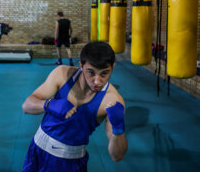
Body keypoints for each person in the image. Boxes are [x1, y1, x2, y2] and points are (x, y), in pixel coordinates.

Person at [22, 41, 127, 171]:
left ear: (113, 67)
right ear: (81, 65)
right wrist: (48, 104)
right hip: (37, 150)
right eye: (91, 72)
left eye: (104, 73)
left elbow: (117, 156)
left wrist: (118, 129)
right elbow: (26, 106)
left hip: (70, 163)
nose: (97, 81)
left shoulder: (112, 100)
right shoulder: (61, 74)